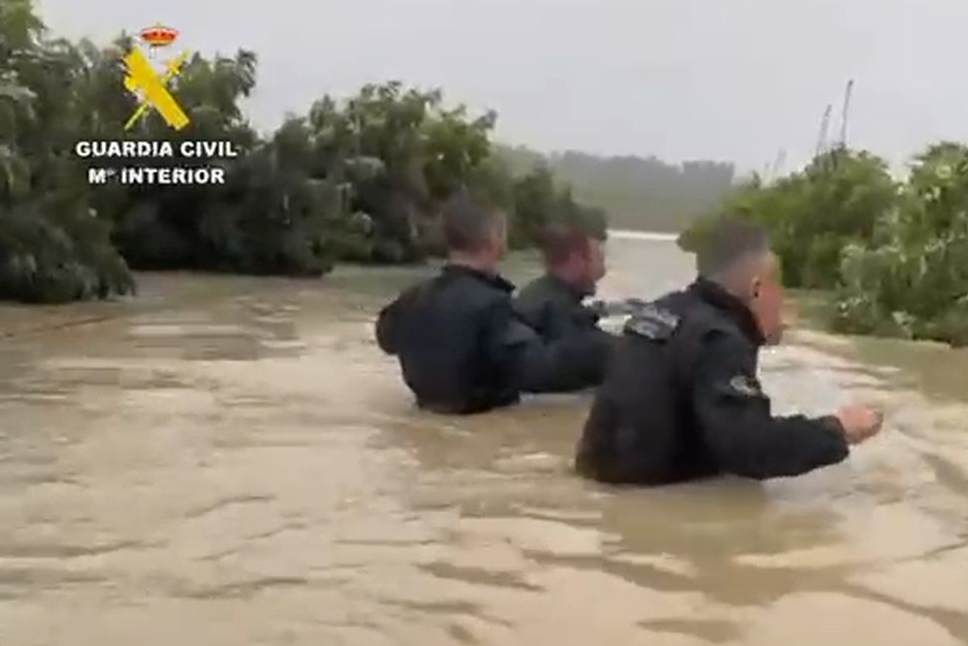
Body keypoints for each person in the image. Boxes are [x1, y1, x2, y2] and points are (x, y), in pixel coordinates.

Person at [575, 217, 884, 485]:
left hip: (599, 483)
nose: (789, 306)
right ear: (756, 287)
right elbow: (749, 448)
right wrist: (838, 429)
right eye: (782, 291)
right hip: (654, 506)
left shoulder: (659, 311)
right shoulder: (720, 340)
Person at [374, 193, 589, 414]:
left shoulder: (410, 299)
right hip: (484, 423)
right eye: (503, 231)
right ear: (492, 238)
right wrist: (603, 351)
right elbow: (540, 368)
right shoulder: (494, 306)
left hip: (423, 422)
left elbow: (386, 341)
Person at [511, 223, 614, 391]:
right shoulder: (557, 309)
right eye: (599, 259)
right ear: (576, 260)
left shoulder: (536, 294)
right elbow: (587, 355)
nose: (603, 271)